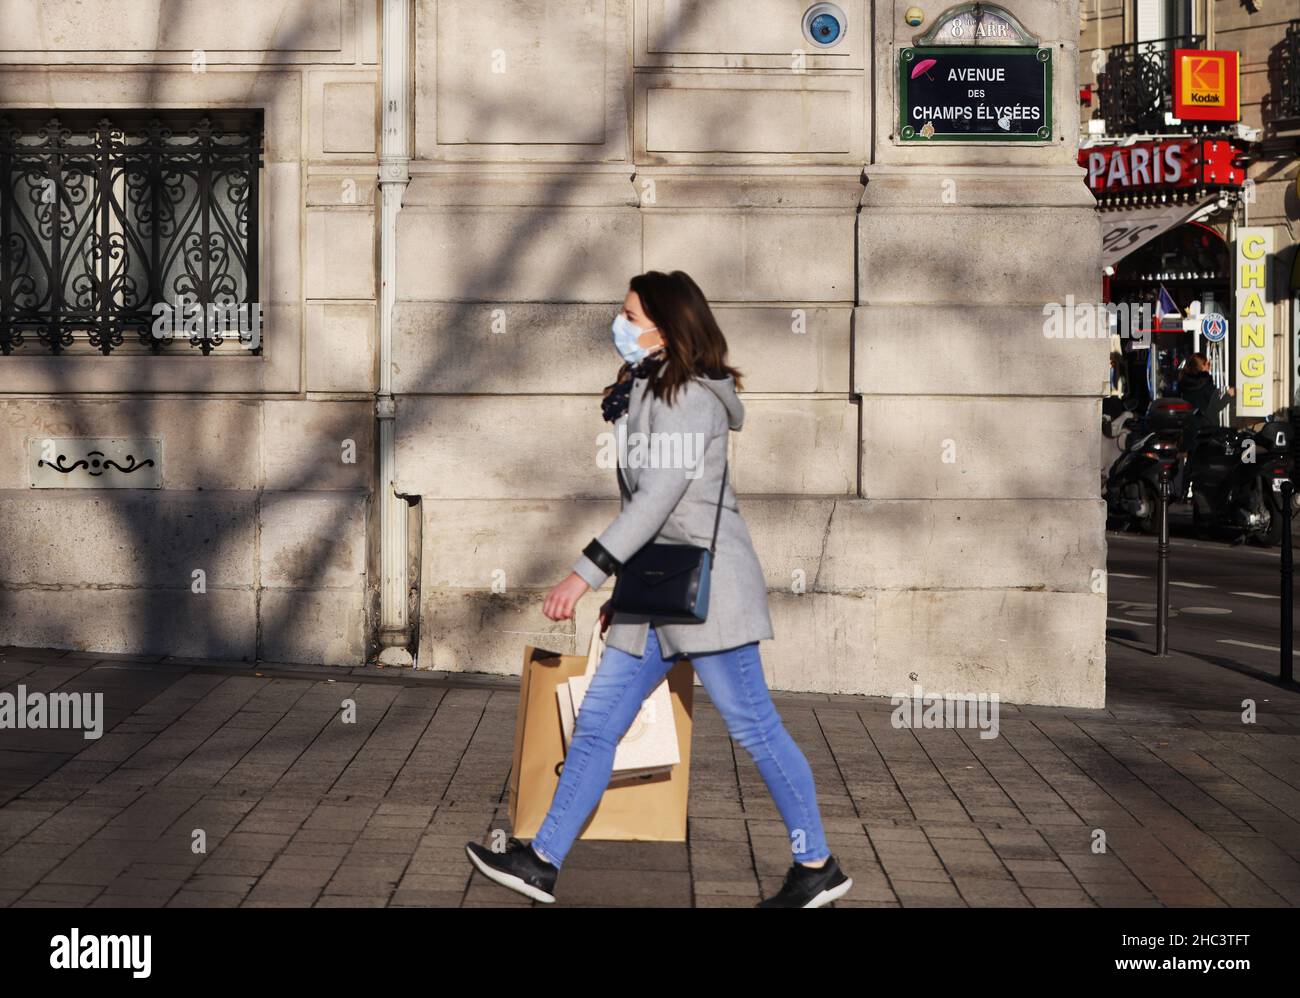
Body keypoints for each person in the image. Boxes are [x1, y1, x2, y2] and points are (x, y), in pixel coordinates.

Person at [465, 270, 853, 908]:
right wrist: (624, 593)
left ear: (667, 329)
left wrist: (584, 575)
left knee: (756, 729)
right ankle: (541, 862)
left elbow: (654, 504)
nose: (618, 325)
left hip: (708, 595)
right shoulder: (649, 387)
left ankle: (817, 865)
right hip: (654, 594)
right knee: (594, 727)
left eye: (628, 314)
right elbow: (653, 514)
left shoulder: (690, 399)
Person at [1171, 352, 1234, 499]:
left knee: (1191, 460)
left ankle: (1183, 491)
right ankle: (1204, 493)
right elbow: (1215, 406)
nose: (1210, 367)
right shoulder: (1206, 382)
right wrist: (1229, 395)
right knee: (1206, 461)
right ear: (1203, 366)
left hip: (1189, 426)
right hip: (1205, 428)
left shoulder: (1183, 382)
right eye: (1208, 364)